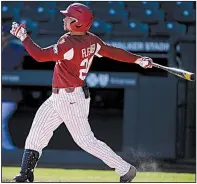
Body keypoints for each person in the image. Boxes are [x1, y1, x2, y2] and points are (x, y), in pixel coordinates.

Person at [10, 3, 153, 182]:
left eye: (68, 17)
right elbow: (112, 51)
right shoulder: (91, 40)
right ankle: (25, 174)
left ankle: (125, 169)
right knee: (37, 133)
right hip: (60, 97)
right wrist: (138, 59)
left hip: (70, 98)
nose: (64, 18)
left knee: (86, 141)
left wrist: (24, 37)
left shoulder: (69, 43)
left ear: (77, 23)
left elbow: (39, 55)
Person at [2, 24, 25, 150]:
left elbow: (9, 67)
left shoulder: (15, 49)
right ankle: (8, 149)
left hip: (9, 95)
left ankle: (9, 150)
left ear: (6, 37)